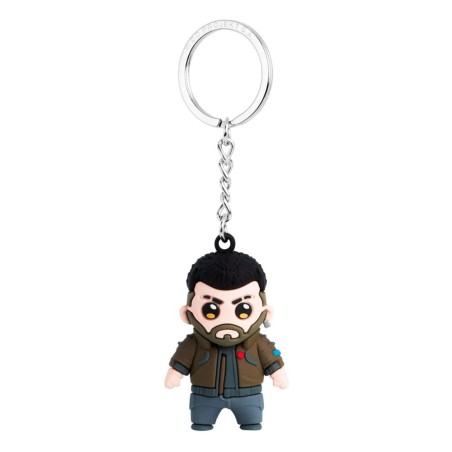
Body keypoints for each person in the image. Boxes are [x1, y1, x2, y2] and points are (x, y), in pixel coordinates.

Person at [164, 241, 288, 430]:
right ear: (187, 313)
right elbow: (182, 361)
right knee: (200, 424)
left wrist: (278, 373)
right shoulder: (194, 343)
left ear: (266, 313)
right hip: (204, 396)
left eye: (243, 309)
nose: (227, 319)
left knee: (252, 424)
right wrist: (175, 373)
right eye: (211, 310)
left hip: (249, 396)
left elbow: (272, 360)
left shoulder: (258, 343)